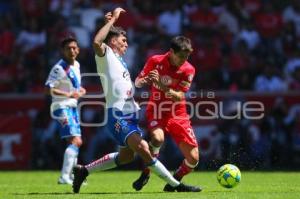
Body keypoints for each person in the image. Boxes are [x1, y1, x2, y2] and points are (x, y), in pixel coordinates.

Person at [72, 7, 201, 193]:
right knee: (143, 148)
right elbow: (96, 42)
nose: (126, 45)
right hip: (117, 115)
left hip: (130, 114)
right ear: (112, 41)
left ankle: (83, 171)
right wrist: (112, 21)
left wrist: (143, 82)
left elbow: (135, 84)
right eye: (123, 41)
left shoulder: (120, 60)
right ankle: (176, 185)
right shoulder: (105, 54)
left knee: (126, 157)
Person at [133, 35, 199, 192]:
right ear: (171, 52)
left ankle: (174, 180)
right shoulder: (155, 61)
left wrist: (162, 86)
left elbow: (180, 96)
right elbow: (137, 82)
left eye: (187, 56)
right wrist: (147, 79)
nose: (184, 60)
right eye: (181, 56)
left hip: (178, 113)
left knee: (193, 159)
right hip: (157, 109)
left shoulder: (188, 69)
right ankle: (146, 173)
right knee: (157, 138)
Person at [45, 37, 86, 184]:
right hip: (61, 107)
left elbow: (72, 88)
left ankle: (72, 176)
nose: (72, 50)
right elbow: (48, 89)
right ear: (63, 51)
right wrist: (68, 94)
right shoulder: (59, 68)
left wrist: (79, 91)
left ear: (78, 50)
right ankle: (64, 177)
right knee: (75, 140)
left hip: (72, 107)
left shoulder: (77, 65)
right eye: (68, 48)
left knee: (77, 141)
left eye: (74, 48)